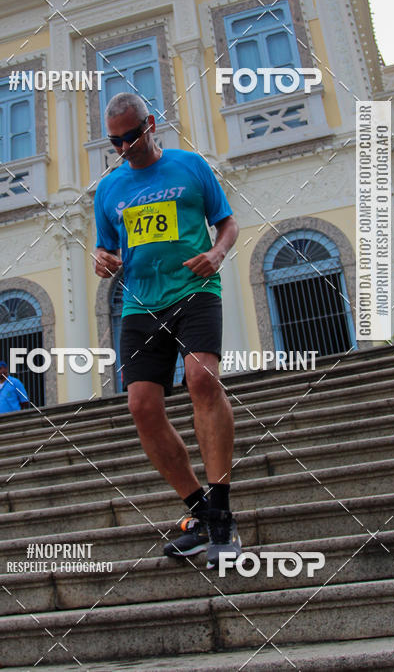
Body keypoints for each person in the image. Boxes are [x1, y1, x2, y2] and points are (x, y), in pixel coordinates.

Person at [93, 92, 241, 569]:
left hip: (196, 289)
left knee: (202, 379)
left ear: (150, 124)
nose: (124, 147)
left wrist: (216, 254)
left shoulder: (190, 166)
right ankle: (199, 511)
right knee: (141, 405)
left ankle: (221, 516)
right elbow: (106, 249)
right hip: (141, 305)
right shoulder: (109, 189)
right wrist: (103, 259)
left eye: (131, 136)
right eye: (115, 140)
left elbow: (228, 223)